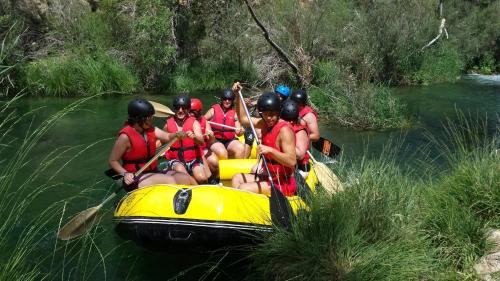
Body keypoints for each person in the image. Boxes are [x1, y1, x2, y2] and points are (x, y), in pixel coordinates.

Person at [108, 98, 195, 191]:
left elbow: (168, 136)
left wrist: (178, 134)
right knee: (171, 181)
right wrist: (125, 174)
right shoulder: (125, 137)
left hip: (153, 171)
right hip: (136, 177)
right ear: (139, 119)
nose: (151, 119)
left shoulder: (152, 129)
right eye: (149, 117)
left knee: (185, 178)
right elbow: (112, 161)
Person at [231, 83, 297, 196]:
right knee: (237, 178)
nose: (268, 118)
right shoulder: (264, 123)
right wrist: (238, 96)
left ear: (278, 112)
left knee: (243, 187)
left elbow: (292, 161)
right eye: (265, 114)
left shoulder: (285, 131)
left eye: (271, 114)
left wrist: (270, 150)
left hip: (282, 182)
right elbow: (243, 119)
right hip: (269, 176)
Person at [164, 95, 208, 184]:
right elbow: (161, 141)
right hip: (175, 160)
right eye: (177, 108)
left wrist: (194, 137)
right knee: (181, 172)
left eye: (183, 108)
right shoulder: (167, 125)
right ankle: (196, 188)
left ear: (188, 110)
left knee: (202, 178)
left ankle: (202, 186)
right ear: (174, 109)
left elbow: (201, 142)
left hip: (193, 159)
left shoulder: (194, 123)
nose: (180, 110)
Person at [204, 89, 245, 174]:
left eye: (229, 99)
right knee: (222, 151)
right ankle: (221, 175)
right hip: (215, 140)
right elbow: (203, 120)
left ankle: (237, 174)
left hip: (229, 140)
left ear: (232, 100)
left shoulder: (234, 113)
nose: (227, 101)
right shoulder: (214, 109)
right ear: (222, 100)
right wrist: (207, 130)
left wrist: (241, 131)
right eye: (225, 99)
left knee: (240, 148)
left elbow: (238, 132)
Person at [280, 99, 311, 179]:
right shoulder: (279, 127)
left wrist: (282, 143)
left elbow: (300, 155)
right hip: (285, 164)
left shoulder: (300, 131)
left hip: (300, 168)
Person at [190, 98, 214, 181]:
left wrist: (211, 136)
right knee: (201, 156)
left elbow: (211, 141)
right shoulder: (184, 121)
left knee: (214, 161)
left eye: (193, 111)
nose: (191, 114)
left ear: (199, 111)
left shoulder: (204, 121)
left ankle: (214, 179)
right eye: (190, 111)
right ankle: (210, 180)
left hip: (203, 148)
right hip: (191, 150)